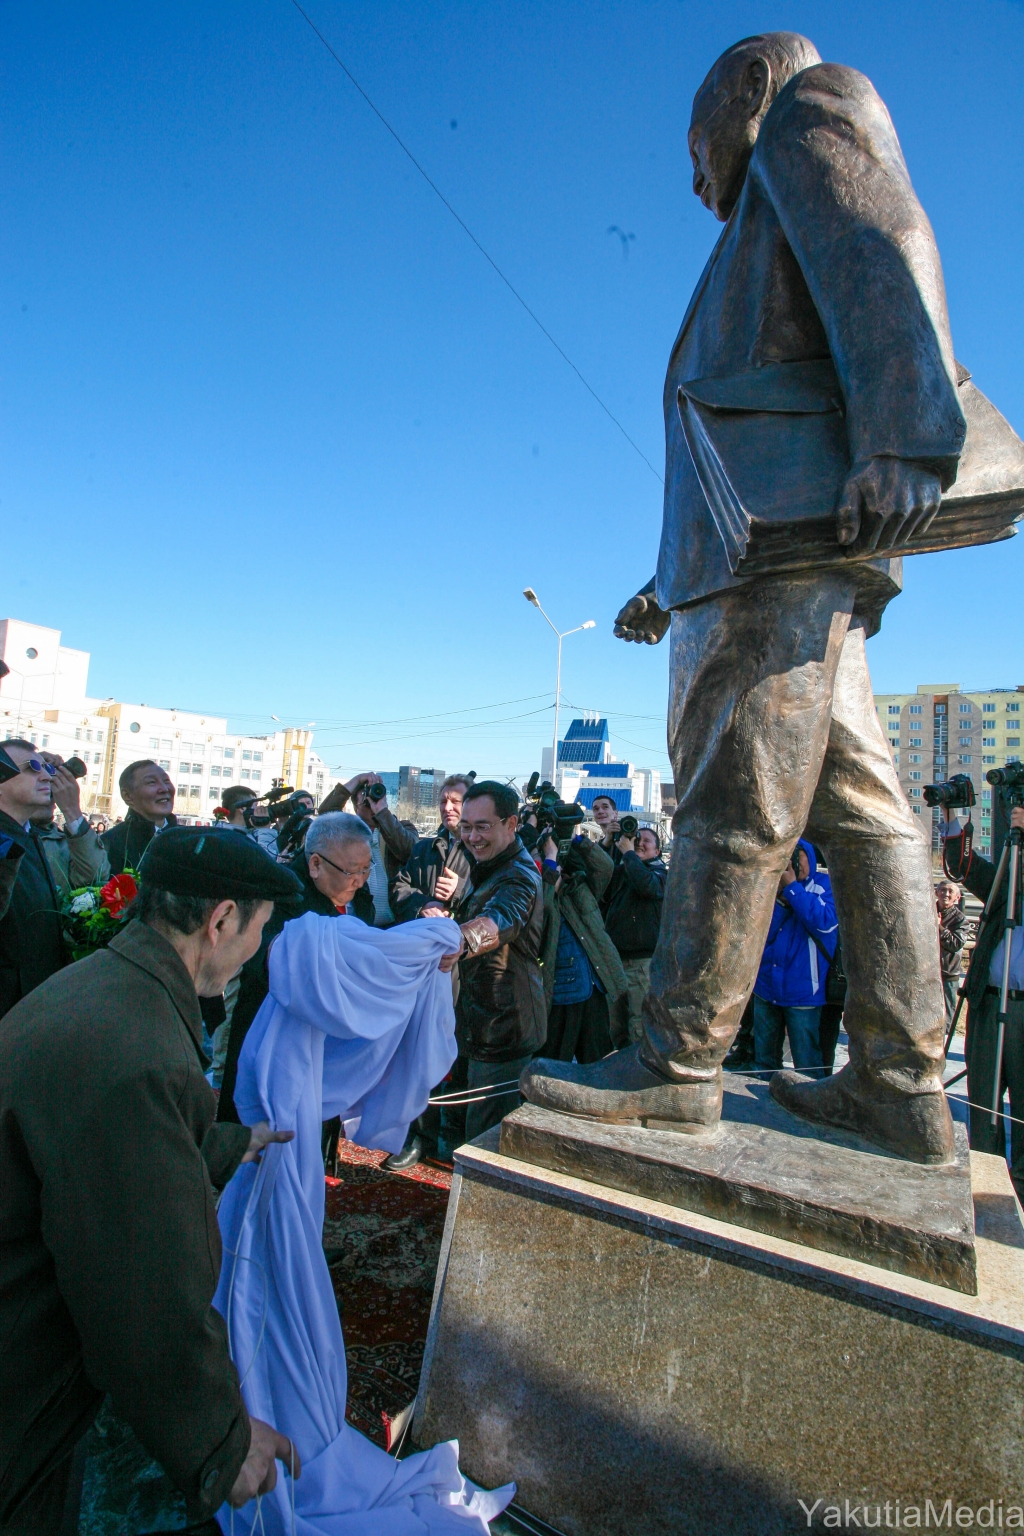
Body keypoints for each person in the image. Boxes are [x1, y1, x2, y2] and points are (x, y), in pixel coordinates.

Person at [523, 32, 966, 1164]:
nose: (690, 176)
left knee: (731, 803)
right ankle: (901, 1086)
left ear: (746, 92)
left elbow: (885, 239)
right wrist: (664, 587)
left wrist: (909, 432)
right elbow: (754, 442)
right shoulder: (748, 230)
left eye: (692, 144)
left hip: (781, 574)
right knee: (866, 815)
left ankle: (676, 1066)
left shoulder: (807, 111)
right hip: (769, 564)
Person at [0, 827, 304, 1534]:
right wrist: (221, 1443)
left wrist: (231, 1141)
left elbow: (114, 1149)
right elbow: (145, 1293)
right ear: (222, 919)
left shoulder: (108, 987)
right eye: (258, 928)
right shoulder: (135, 1050)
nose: (255, 949)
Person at [218, 813, 373, 1125]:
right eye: (351, 872)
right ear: (315, 864)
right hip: (278, 1036)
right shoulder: (281, 895)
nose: (360, 880)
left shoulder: (358, 892)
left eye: (367, 869)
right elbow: (264, 961)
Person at [386, 775, 475, 1168]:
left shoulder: (482, 855)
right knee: (416, 1052)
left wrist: (463, 891)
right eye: (444, 801)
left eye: (456, 801)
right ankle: (415, 1134)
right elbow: (399, 888)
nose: (448, 808)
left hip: (466, 973)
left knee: (452, 1054)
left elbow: (499, 908)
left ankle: (453, 1134)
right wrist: (424, 905)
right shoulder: (424, 849)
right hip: (422, 970)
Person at [449, 781, 545, 1141]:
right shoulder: (489, 864)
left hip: (504, 1031)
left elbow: (498, 922)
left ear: (511, 824)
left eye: (482, 826)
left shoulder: (519, 876)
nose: (472, 837)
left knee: (486, 1142)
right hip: (478, 1023)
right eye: (466, 827)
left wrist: (448, 942)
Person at [941, 805, 1024, 1197]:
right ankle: (983, 1191)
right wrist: (951, 811)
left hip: (1022, 1012)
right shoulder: (1003, 881)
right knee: (984, 1106)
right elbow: (964, 865)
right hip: (989, 1006)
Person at [0, 742, 106, 1018]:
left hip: (33, 1004)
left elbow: (94, 879)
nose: (47, 776)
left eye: (47, 767)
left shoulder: (30, 836)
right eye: (32, 767)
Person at [538, 831, 629, 1062]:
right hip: (560, 994)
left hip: (595, 986)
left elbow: (604, 867)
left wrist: (575, 837)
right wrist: (549, 857)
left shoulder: (580, 889)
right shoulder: (540, 898)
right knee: (554, 1065)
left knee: (600, 1064)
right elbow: (545, 905)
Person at [751, 839, 838, 1075]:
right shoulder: (770, 888)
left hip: (804, 992)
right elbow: (760, 933)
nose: (790, 863)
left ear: (809, 858)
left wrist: (792, 889)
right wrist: (780, 899)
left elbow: (825, 923)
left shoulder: (825, 885)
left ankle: (808, 1106)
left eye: (796, 856)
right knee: (764, 1061)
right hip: (766, 988)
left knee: (807, 1063)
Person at [318, 773, 417, 928]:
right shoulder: (347, 831)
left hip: (396, 925)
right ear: (356, 805)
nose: (372, 804)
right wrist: (356, 780)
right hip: (358, 925)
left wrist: (382, 813)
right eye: (366, 800)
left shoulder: (401, 827)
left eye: (377, 795)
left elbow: (409, 850)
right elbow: (325, 815)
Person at [603, 826, 668, 1044]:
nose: (640, 843)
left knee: (639, 1024)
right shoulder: (624, 870)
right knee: (615, 1025)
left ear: (657, 851)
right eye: (636, 838)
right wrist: (608, 842)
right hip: (615, 960)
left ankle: (638, 1071)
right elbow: (602, 882)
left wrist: (630, 854)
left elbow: (648, 887)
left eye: (647, 841)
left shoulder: (661, 874)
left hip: (642, 964)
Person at [101, 759, 177, 873]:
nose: (165, 789)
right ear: (128, 796)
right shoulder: (109, 844)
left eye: (166, 781)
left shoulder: (189, 839)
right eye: (152, 782)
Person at [936, 878, 969, 1023]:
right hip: (925, 973)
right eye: (943, 890)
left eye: (950, 891)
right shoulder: (924, 912)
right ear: (936, 892)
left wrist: (939, 927)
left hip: (948, 975)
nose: (946, 894)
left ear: (957, 897)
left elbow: (955, 943)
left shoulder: (960, 920)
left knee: (947, 1020)